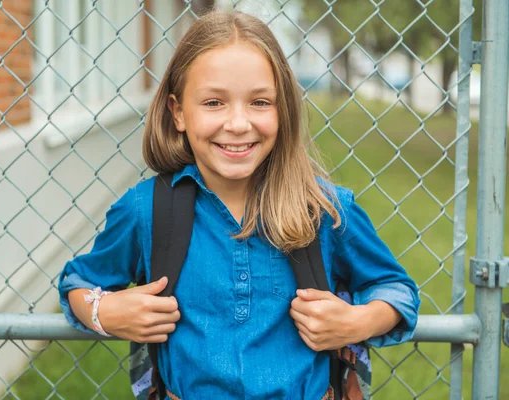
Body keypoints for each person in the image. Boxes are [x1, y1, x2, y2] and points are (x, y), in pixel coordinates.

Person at [58, 10, 420, 400]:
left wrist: (359, 321)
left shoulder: (325, 209)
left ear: (283, 110)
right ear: (178, 112)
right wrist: (103, 312)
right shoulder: (145, 211)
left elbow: (397, 290)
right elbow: (78, 284)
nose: (238, 123)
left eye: (260, 102)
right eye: (214, 102)